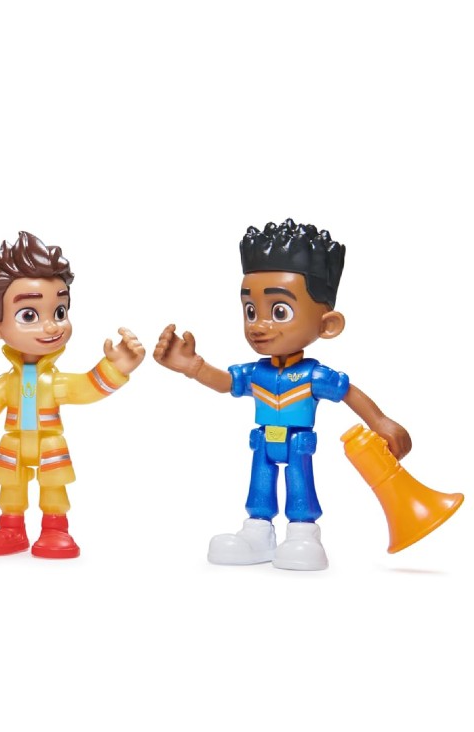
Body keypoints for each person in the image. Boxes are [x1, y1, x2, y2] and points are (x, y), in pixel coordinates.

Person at [154, 219, 410, 571]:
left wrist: (380, 422)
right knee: (260, 482)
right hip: (263, 440)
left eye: (279, 311)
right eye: (250, 310)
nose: (258, 325)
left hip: (298, 442)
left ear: (328, 325)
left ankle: (304, 533)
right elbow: (227, 382)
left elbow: (348, 392)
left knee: (299, 482)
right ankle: (257, 532)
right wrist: (193, 366)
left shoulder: (313, 375)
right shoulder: (256, 372)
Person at [0, 230, 145, 559]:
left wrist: (116, 368)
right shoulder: (7, 383)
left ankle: (55, 529)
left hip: (49, 445)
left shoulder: (54, 382)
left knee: (54, 488)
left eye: (60, 312)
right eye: (29, 315)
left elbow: (87, 387)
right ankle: (11, 529)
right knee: (10, 488)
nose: (53, 326)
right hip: (13, 445)